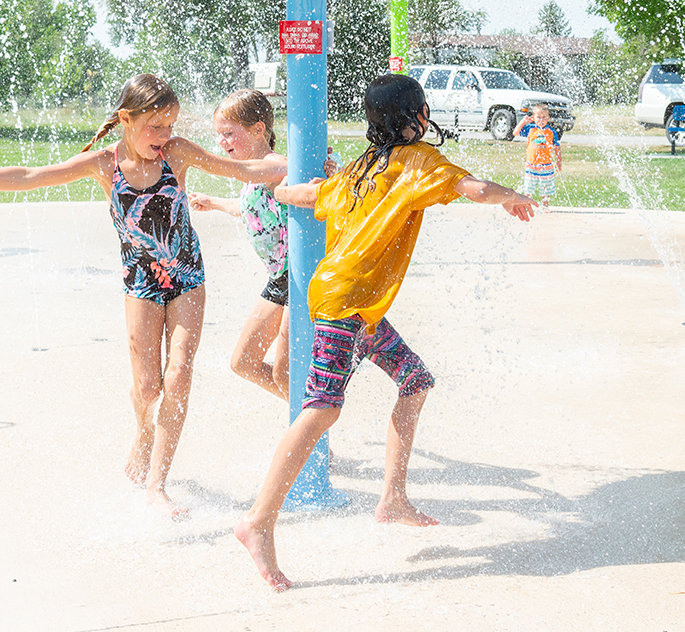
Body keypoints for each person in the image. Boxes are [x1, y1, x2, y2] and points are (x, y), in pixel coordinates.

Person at [0, 74, 287, 518]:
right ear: (127, 118)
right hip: (141, 282)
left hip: (186, 276)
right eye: (156, 126)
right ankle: (143, 434)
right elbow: (30, 176)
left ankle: (157, 485)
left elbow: (243, 170)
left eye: (170, 125)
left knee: (178, 374)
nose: (165, 136)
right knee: (147, 384)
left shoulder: (176, 154)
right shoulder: (106, 164)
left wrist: (306, 165)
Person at [234, 73, 536, 591]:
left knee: (415, 380)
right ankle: (257, 523)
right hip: (345, 303)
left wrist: (281, 187)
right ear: (417, 115)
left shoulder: (361, 170)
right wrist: (512, 196)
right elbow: (474, 188)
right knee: (321, 409)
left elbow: (307, 194)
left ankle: (392, 498)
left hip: (356, 305)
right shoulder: (420, 162)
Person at [189, 89, 338, 400]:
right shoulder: (256, 171)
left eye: (229, 133)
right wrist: (212, 202)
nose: (222, 142)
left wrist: (324, 167)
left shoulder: (277, 166)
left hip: (299, 275)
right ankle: (311, 420)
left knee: (286, 374)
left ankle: (313, 435)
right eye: (219, 135)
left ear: (258, 129)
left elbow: (298, 183)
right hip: (280, 279)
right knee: (243, 362)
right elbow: (253, 210)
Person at [516, 103, 562, 205]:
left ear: (548, 118)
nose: (541, 120)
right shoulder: (530, 129)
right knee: (528, 188)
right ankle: (526, 205)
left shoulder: (551, 131)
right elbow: (515, 132)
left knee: (546, 188)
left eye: (544, 117)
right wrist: (523, 122)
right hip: (531, 165)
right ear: (533, 118)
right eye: (538, 117)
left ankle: (545, 206)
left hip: (546, 165)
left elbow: (557, 147)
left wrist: (559, 161)